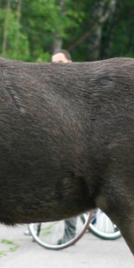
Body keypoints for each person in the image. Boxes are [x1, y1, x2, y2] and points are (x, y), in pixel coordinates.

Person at [51, 49, 78, 243]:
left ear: (70, 63)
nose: (55, 67)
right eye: (53, 63)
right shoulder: (53, 84)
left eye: (60, 62)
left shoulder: (78, 83)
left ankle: (70, 233)